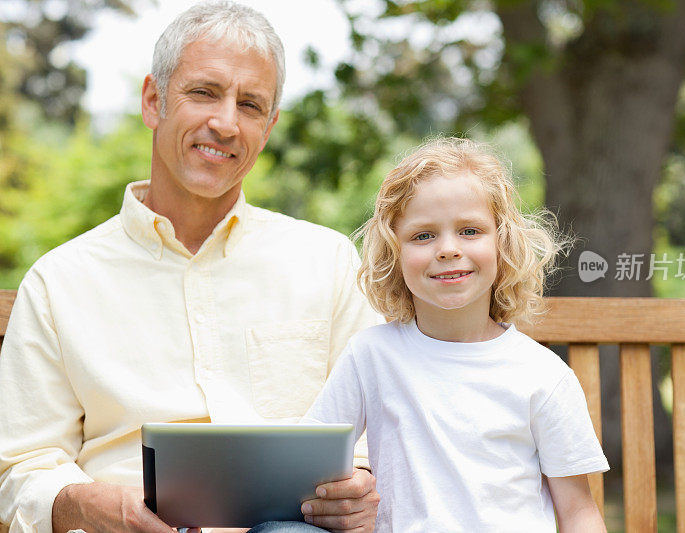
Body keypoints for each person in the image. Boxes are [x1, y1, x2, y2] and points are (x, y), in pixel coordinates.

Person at [0, 2, 380, 532]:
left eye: (250, 105)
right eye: (204, 93)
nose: (225, 123)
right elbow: (21, 467)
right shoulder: (59, 282)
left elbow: (376, 434)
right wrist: (97, 506)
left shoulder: (329, 262)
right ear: (154, 101)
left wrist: (361, 485)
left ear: (267, 129)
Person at [303, 138, 610, 532]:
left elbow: (579, 512)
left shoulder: (543, 375)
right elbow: (310, 460)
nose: (448, 249)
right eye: (423, 235)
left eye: (469, 230)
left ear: (503, 243)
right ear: (394, 253)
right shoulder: (370, 356)